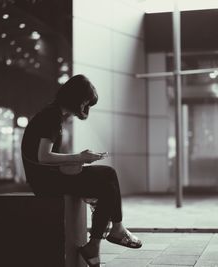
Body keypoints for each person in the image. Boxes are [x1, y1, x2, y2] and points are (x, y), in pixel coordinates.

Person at [21, 74, 142, 267]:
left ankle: (100, 242)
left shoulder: (52, 114)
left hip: (46, 177)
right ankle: (110, 234)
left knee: (108, 180)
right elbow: (43, 157)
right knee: (107, 180)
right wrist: (80, 157)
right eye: (85, 102)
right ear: (76, 98)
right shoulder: (52, 116)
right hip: (46, 182)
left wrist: (79, 160)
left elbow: (43, 158)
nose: (85, 107)